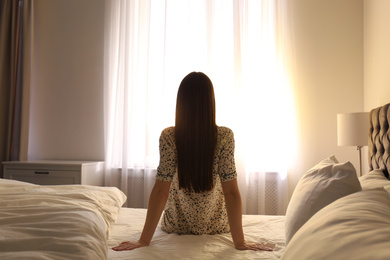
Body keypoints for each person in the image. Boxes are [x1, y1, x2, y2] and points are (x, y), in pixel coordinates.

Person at [112, 72, 273, 252]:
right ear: (210, 103)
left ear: (181, 103)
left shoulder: (169, 137)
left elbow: (161, 191)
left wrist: (144, 240)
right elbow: (231, 192)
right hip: (216, 225)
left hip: (176, 225)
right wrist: (239, 242)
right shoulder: (224, 136)